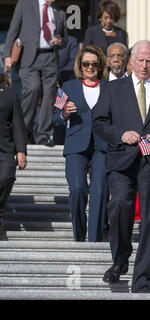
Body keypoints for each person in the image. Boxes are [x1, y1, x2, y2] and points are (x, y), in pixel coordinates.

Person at [92, 40, 150, 293]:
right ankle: (121, 258)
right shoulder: (113, 89)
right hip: (123, 160)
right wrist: (120, 134)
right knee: (120, 205)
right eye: (140, 60)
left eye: (149, 61)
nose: (144, 65)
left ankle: (144, 278)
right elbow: (99, 122)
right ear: (131, 60)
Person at [52, 45, 109, 242]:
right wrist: (64, 113)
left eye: (94, 64)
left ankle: (95, 240)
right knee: (77, 189)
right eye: (86, 64)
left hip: (102, 147)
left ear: (100, 65)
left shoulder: (110, 88)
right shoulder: (68, 87)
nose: (90, 67)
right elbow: (54, 118)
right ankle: (79, 236)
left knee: (100, 191)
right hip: (76, 145)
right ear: (80, 65)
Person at [4, 0, 68, 145]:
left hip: (50, 56)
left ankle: (43, 135)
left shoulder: (60, 13)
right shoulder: (25, 4)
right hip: (29, 57)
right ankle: (22, 132)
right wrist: (7, 54)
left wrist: (60, 40)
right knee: (32, 88)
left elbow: (65, 38)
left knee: (49, 96)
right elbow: (13, 29)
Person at [0, 84, 27, 240]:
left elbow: (17, 123)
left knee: (6, 176)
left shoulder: (9, 94)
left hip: (4, 148)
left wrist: (21, 150)